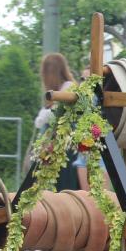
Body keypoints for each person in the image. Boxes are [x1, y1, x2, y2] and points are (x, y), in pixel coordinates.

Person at [36, 53, 81, 191]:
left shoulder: (68, 87)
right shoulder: (60, 90)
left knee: (65, 183)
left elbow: (50, 116)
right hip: (57, 144)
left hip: (65, 145)